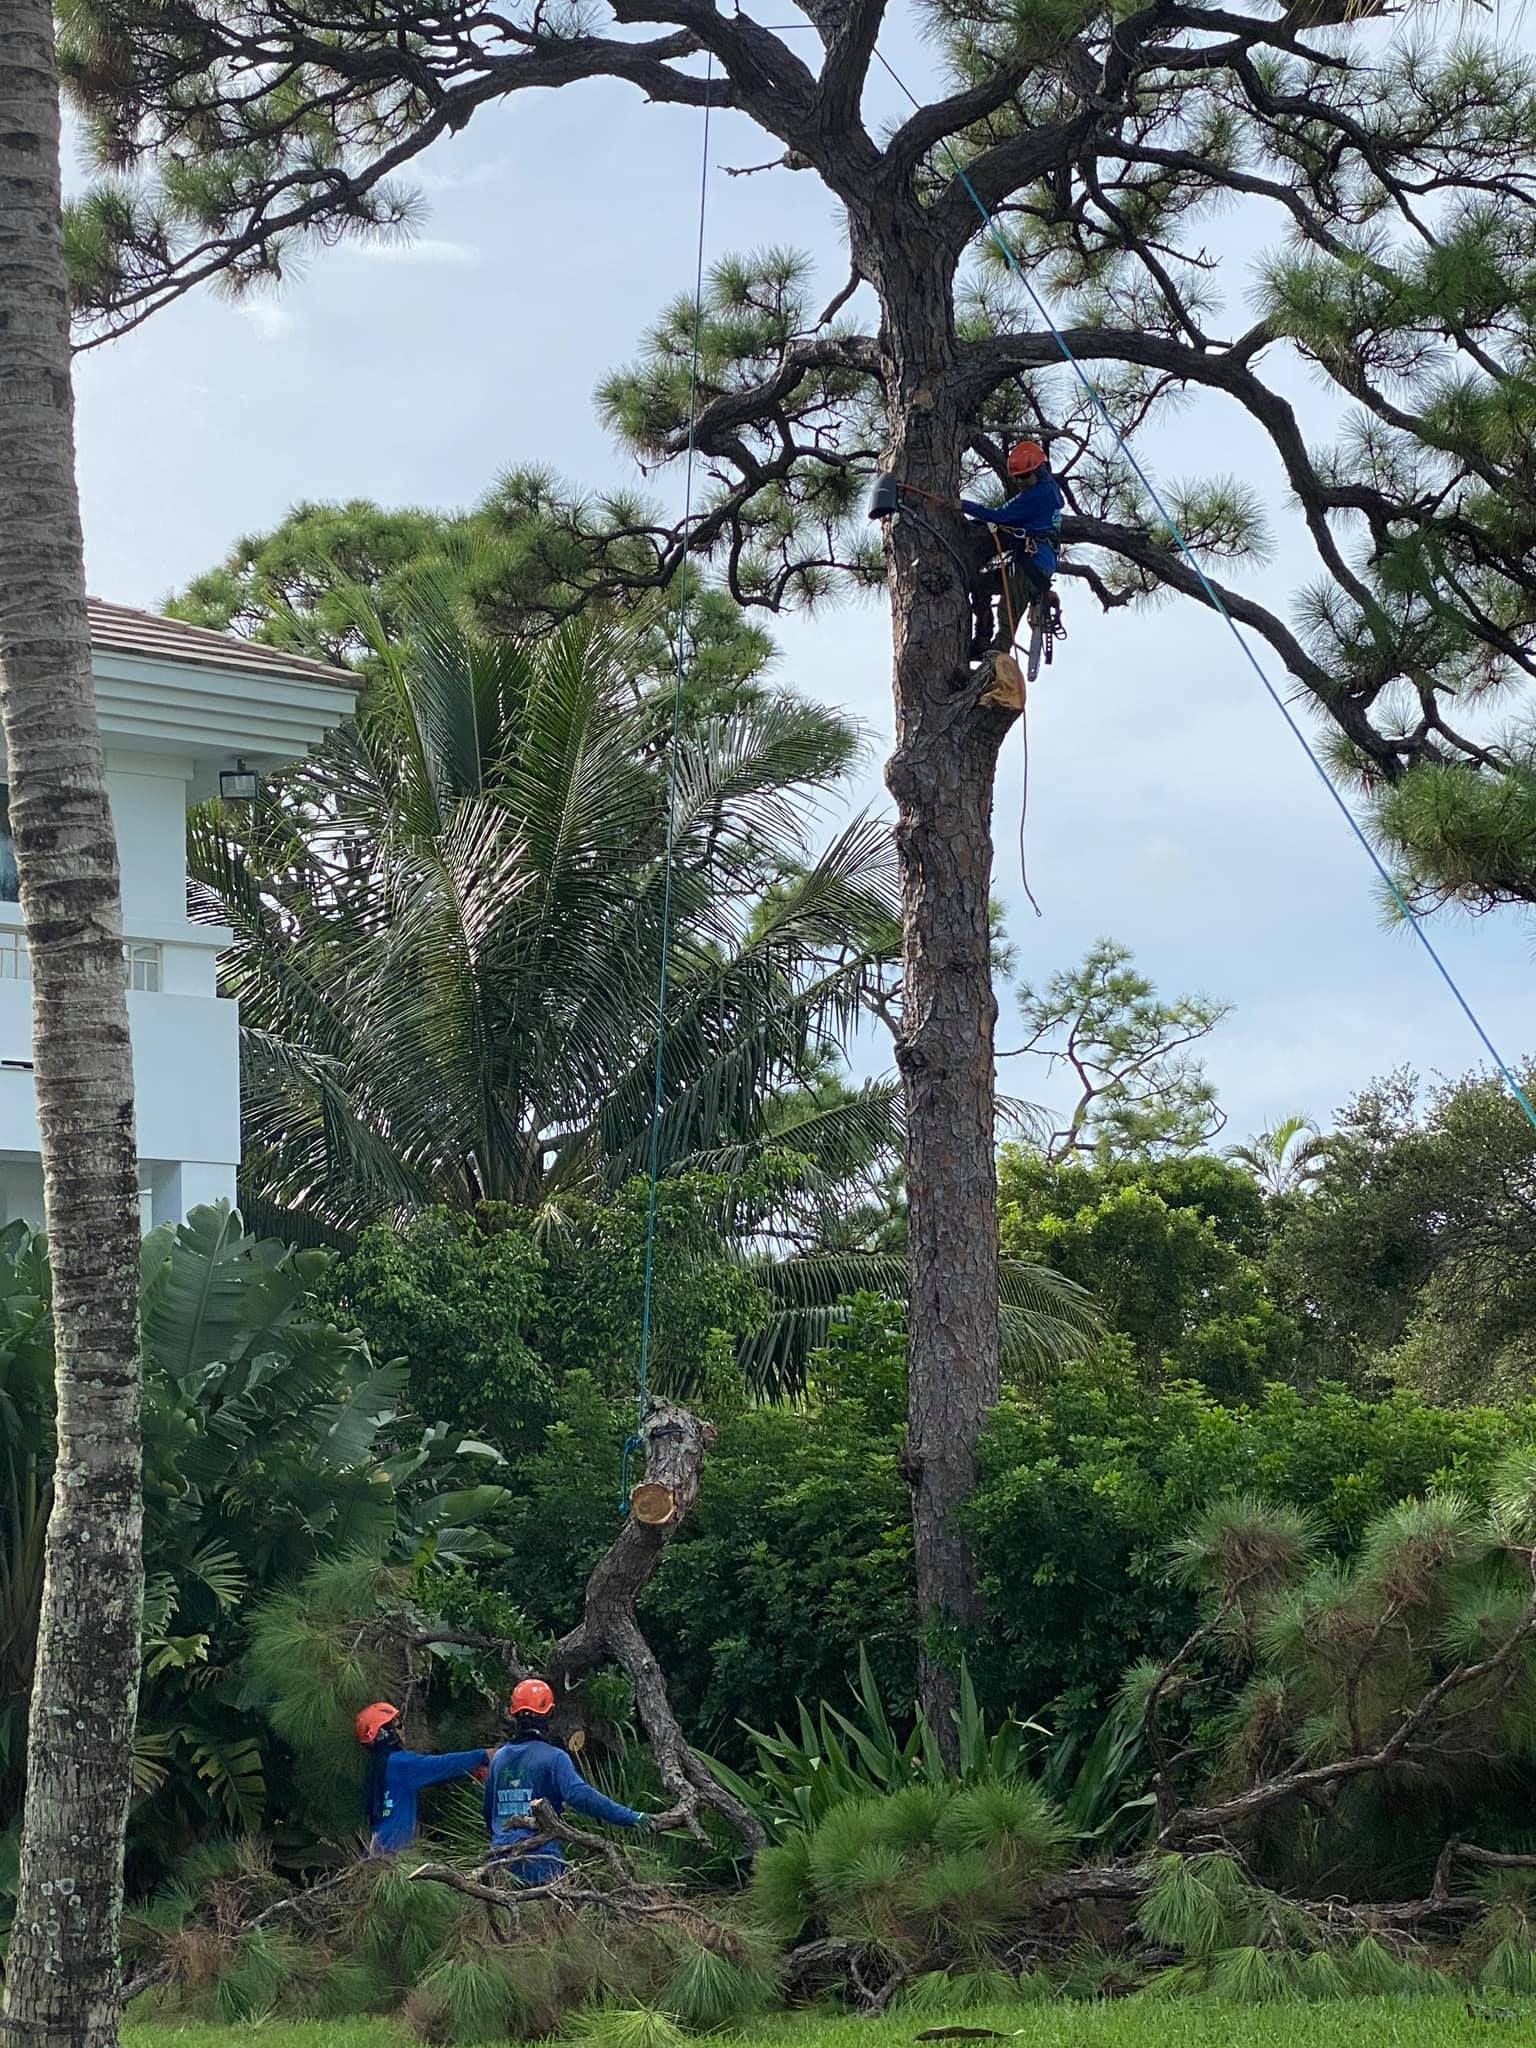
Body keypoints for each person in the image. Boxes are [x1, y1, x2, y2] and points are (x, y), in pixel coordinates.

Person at [484, 1677, 650, 1884]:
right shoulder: (554, 1758)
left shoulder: (499, 1758)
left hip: (499, 1862)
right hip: (541, 1863)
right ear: (549, 1713)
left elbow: (489, 1814)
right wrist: (631, 1817)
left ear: (514, 1713)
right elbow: (580, 1795)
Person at [960, 439, 1065, 656]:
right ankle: (982, 639)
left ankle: (996, 662)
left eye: (1024, 476)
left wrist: (962, 505)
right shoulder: (1042, 490)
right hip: (1032, 564)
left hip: (1031, 565)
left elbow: (1000, 516)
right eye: (1017, 478)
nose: (1021, 482)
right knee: (980, 585)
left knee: (1007, 616)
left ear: (1040, 469)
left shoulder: (1040, 495)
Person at [356, 1701, 490, 1855]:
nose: (403, 1730)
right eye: (398, 1725)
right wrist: (483, 1756)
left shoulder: (376, 1766)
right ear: (386, 1733)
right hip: (393, 1857)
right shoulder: (400, 1764)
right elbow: (442, 1765)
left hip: (375, 1853)